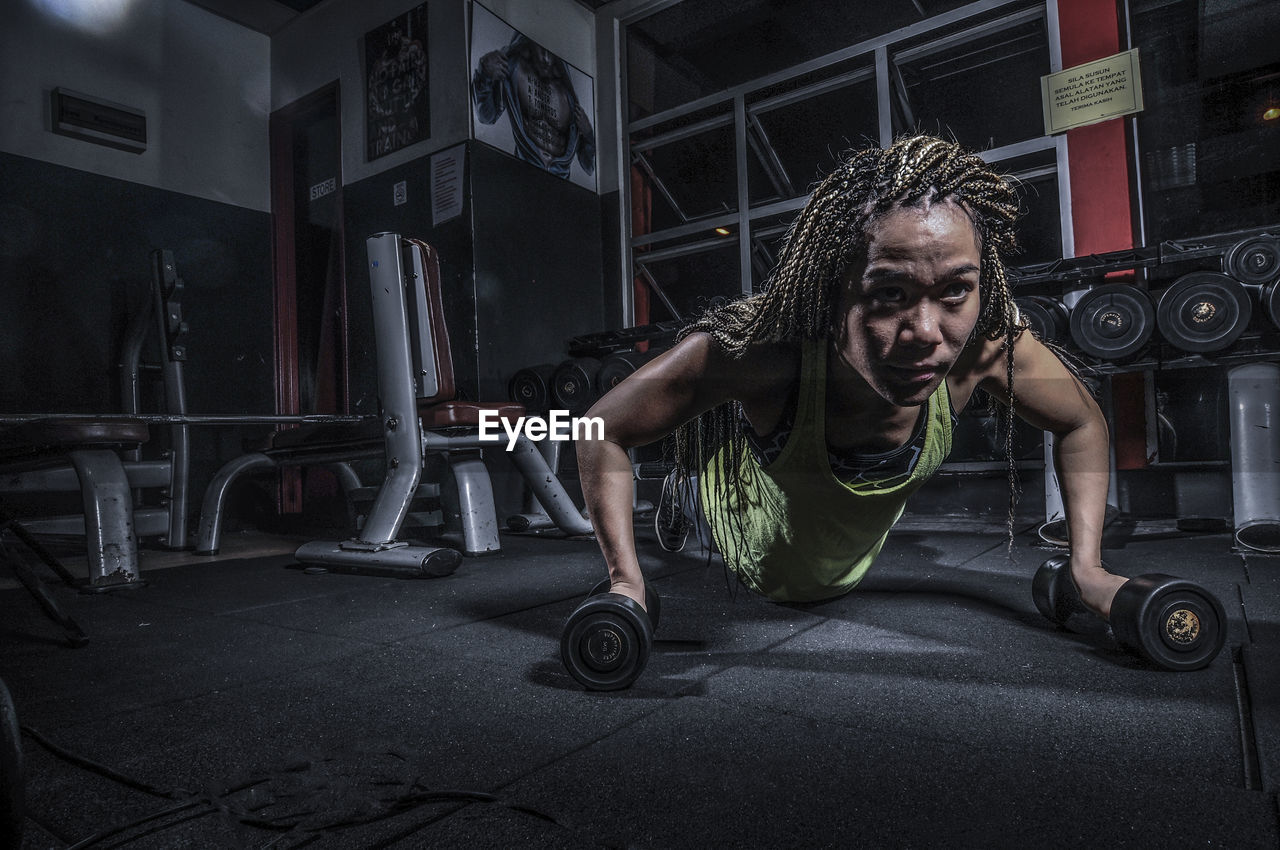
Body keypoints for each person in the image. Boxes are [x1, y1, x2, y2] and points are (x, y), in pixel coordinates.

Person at [576, 134, 1128, 622]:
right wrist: (627, 581)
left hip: (837, 562)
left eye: (956, 289)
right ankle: (688, 476)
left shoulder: (985, 350)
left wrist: (1089, 568)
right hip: (744, 524)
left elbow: (1082, 422)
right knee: (712, 458)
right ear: (832, 289)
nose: (925, 333)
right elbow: (599, 427)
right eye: (890, 293)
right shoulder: (760, 355)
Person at [472, 34, 596, 180]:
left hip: (561, 184)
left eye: (551, 53)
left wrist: (588, 134)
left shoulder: (566, 92)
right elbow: (486, 116)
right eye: (541, 50)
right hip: (525, 176)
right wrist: (484, 74)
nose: (547, 59)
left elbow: (589, 166)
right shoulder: (514, 69)